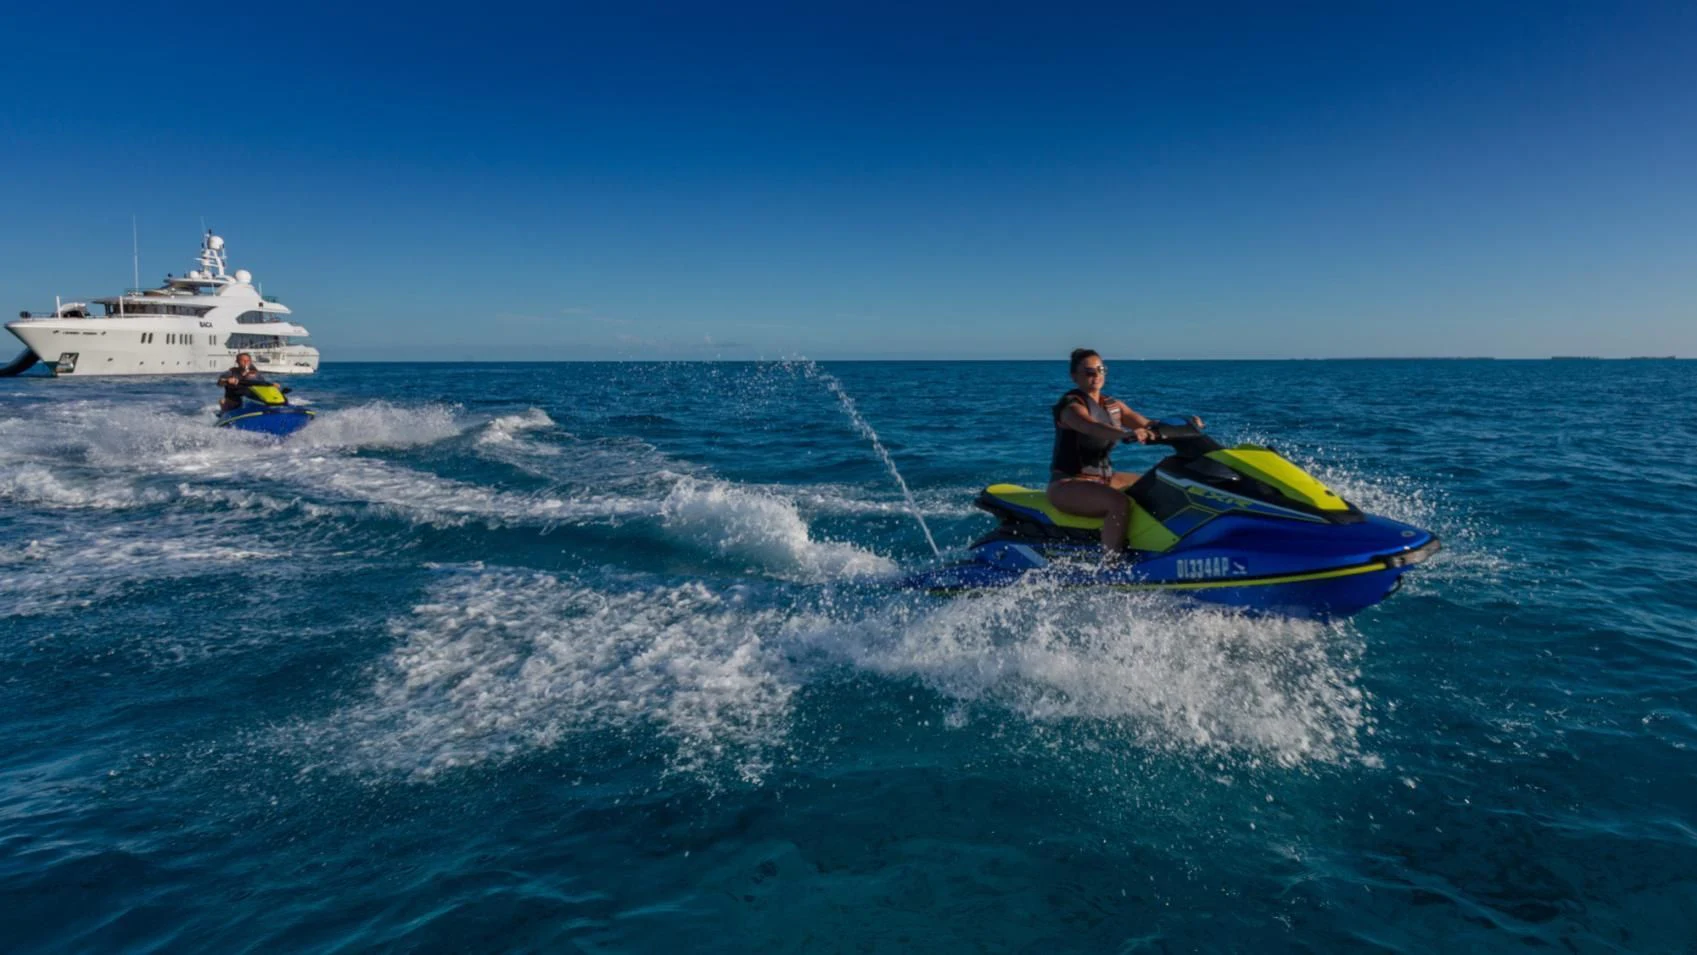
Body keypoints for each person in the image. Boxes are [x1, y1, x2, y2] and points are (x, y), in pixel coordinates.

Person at [1046, 348, 1201, 555]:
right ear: (1074, 377)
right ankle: (1111, 566)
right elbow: (1091, 426)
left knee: (1157, 485)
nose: (1096, 375)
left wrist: (1185, 424)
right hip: (1069, 483)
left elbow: (1148, 423)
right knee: (1118, 502)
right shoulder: (1070, 407)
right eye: (1089, 371)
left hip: (1105, 478)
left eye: (1101, 370)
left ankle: (1163, 546)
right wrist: (1125, 434)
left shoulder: (1113, 406)